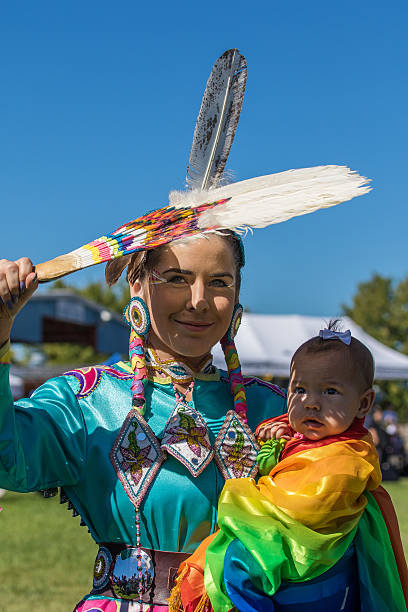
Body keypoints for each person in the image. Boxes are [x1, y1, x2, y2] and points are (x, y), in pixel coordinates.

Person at [0, 233, 287, 611]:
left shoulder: (276, 408)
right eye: (176, 279)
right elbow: (9, 460)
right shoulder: (87, 400)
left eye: (219, 282)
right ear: (138, 284)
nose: (199, 300)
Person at [171, 327, 407, 611]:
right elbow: (280, 472)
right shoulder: (297, 440)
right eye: (300, 390)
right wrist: (275, 449)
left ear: (364, 403)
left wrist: (247, 494)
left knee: (237, 564)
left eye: (330, 391)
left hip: (316, 564)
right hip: (294, 558)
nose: (311, 403)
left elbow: (309, 505)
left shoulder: (350, 457)